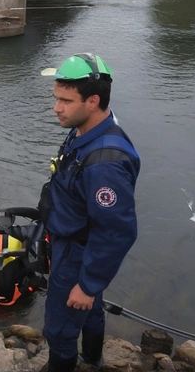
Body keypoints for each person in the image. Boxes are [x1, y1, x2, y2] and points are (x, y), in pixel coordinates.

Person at [37, 54, 140, 372]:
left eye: (65, 100)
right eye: (56, 98)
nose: (57, 108)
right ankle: (93, 359)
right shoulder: (85, 130)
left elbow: (117, 231)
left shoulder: (105, 164)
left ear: (93, 101)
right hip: (69, 241)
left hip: (78, 254)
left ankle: (64, 365)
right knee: (89, 309)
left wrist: (88, 283)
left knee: (59, 329)